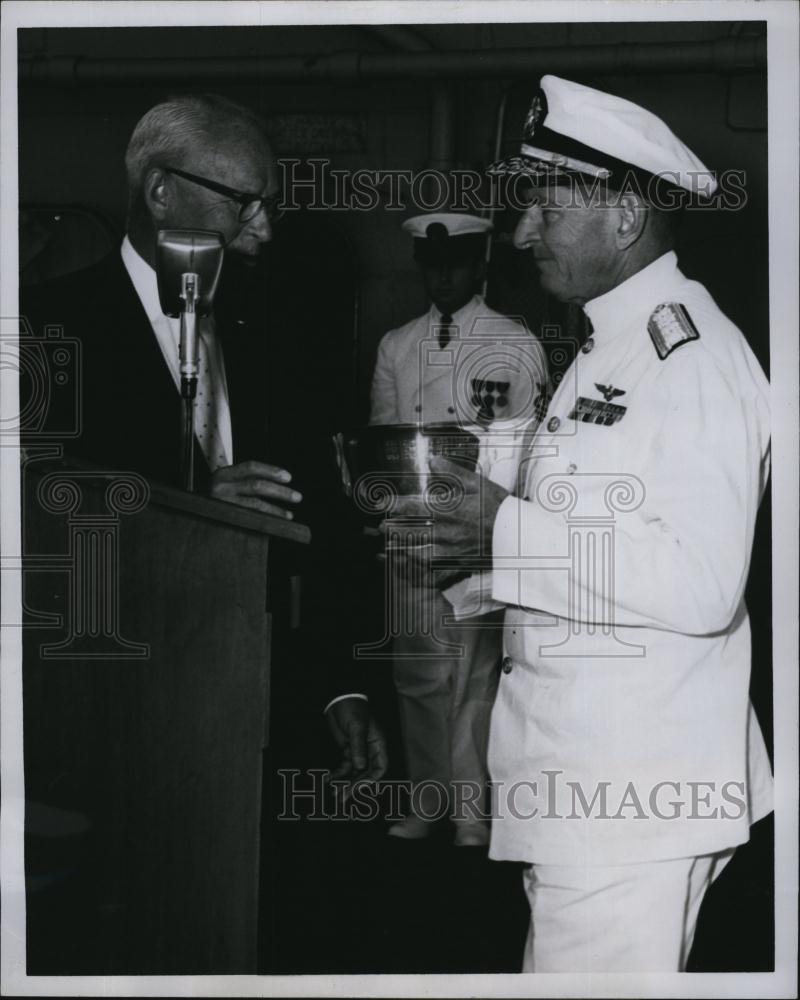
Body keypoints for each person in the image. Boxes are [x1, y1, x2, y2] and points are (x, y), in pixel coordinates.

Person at [393, 75, 773, 971]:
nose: (523, 235)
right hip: (587, 776)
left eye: (547, 209)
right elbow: (590, 516)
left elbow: (700, 580)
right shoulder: (610, 345)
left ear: (625, 217)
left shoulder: (691, 358)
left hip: (629, 791)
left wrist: (502, 531)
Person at [20, 93, 386, 782]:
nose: (264, 231)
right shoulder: (39, 333)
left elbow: (320, 527)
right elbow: (34, 529)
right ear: (160, 191)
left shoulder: (278, 342)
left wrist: (341, 688)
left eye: (268, 206)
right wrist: (187, 504)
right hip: (91, 716)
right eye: (241, 203)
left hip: (254, 724)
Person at [370, 212, 548, 845]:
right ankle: (426, 802)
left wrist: (497, 519)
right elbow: (386, 444)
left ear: (478, 267)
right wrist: (396, 516)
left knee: (474, 675)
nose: (442, 276)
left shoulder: (512, 340)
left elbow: (523, 441)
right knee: (418, 674)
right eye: (432, 264)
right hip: (414, 531)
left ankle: (473, 814)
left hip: (479, 529)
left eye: (455, 264)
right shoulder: (396, 343)